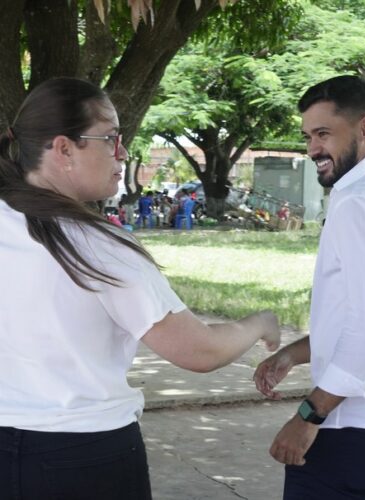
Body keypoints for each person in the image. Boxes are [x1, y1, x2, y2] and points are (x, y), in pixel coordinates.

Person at [0, 77, 281, 500]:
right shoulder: (97, 245)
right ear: (63, 148)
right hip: (84, 457)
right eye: (111, 139)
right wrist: (259, 322)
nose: (123, 153)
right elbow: (198, 351)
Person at [253, 75, 365, 500]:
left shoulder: (360, 198)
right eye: (308, 136)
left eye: (323, 134)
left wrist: (308, 416)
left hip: (358, 428)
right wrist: (293, 354)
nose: (312, 149)